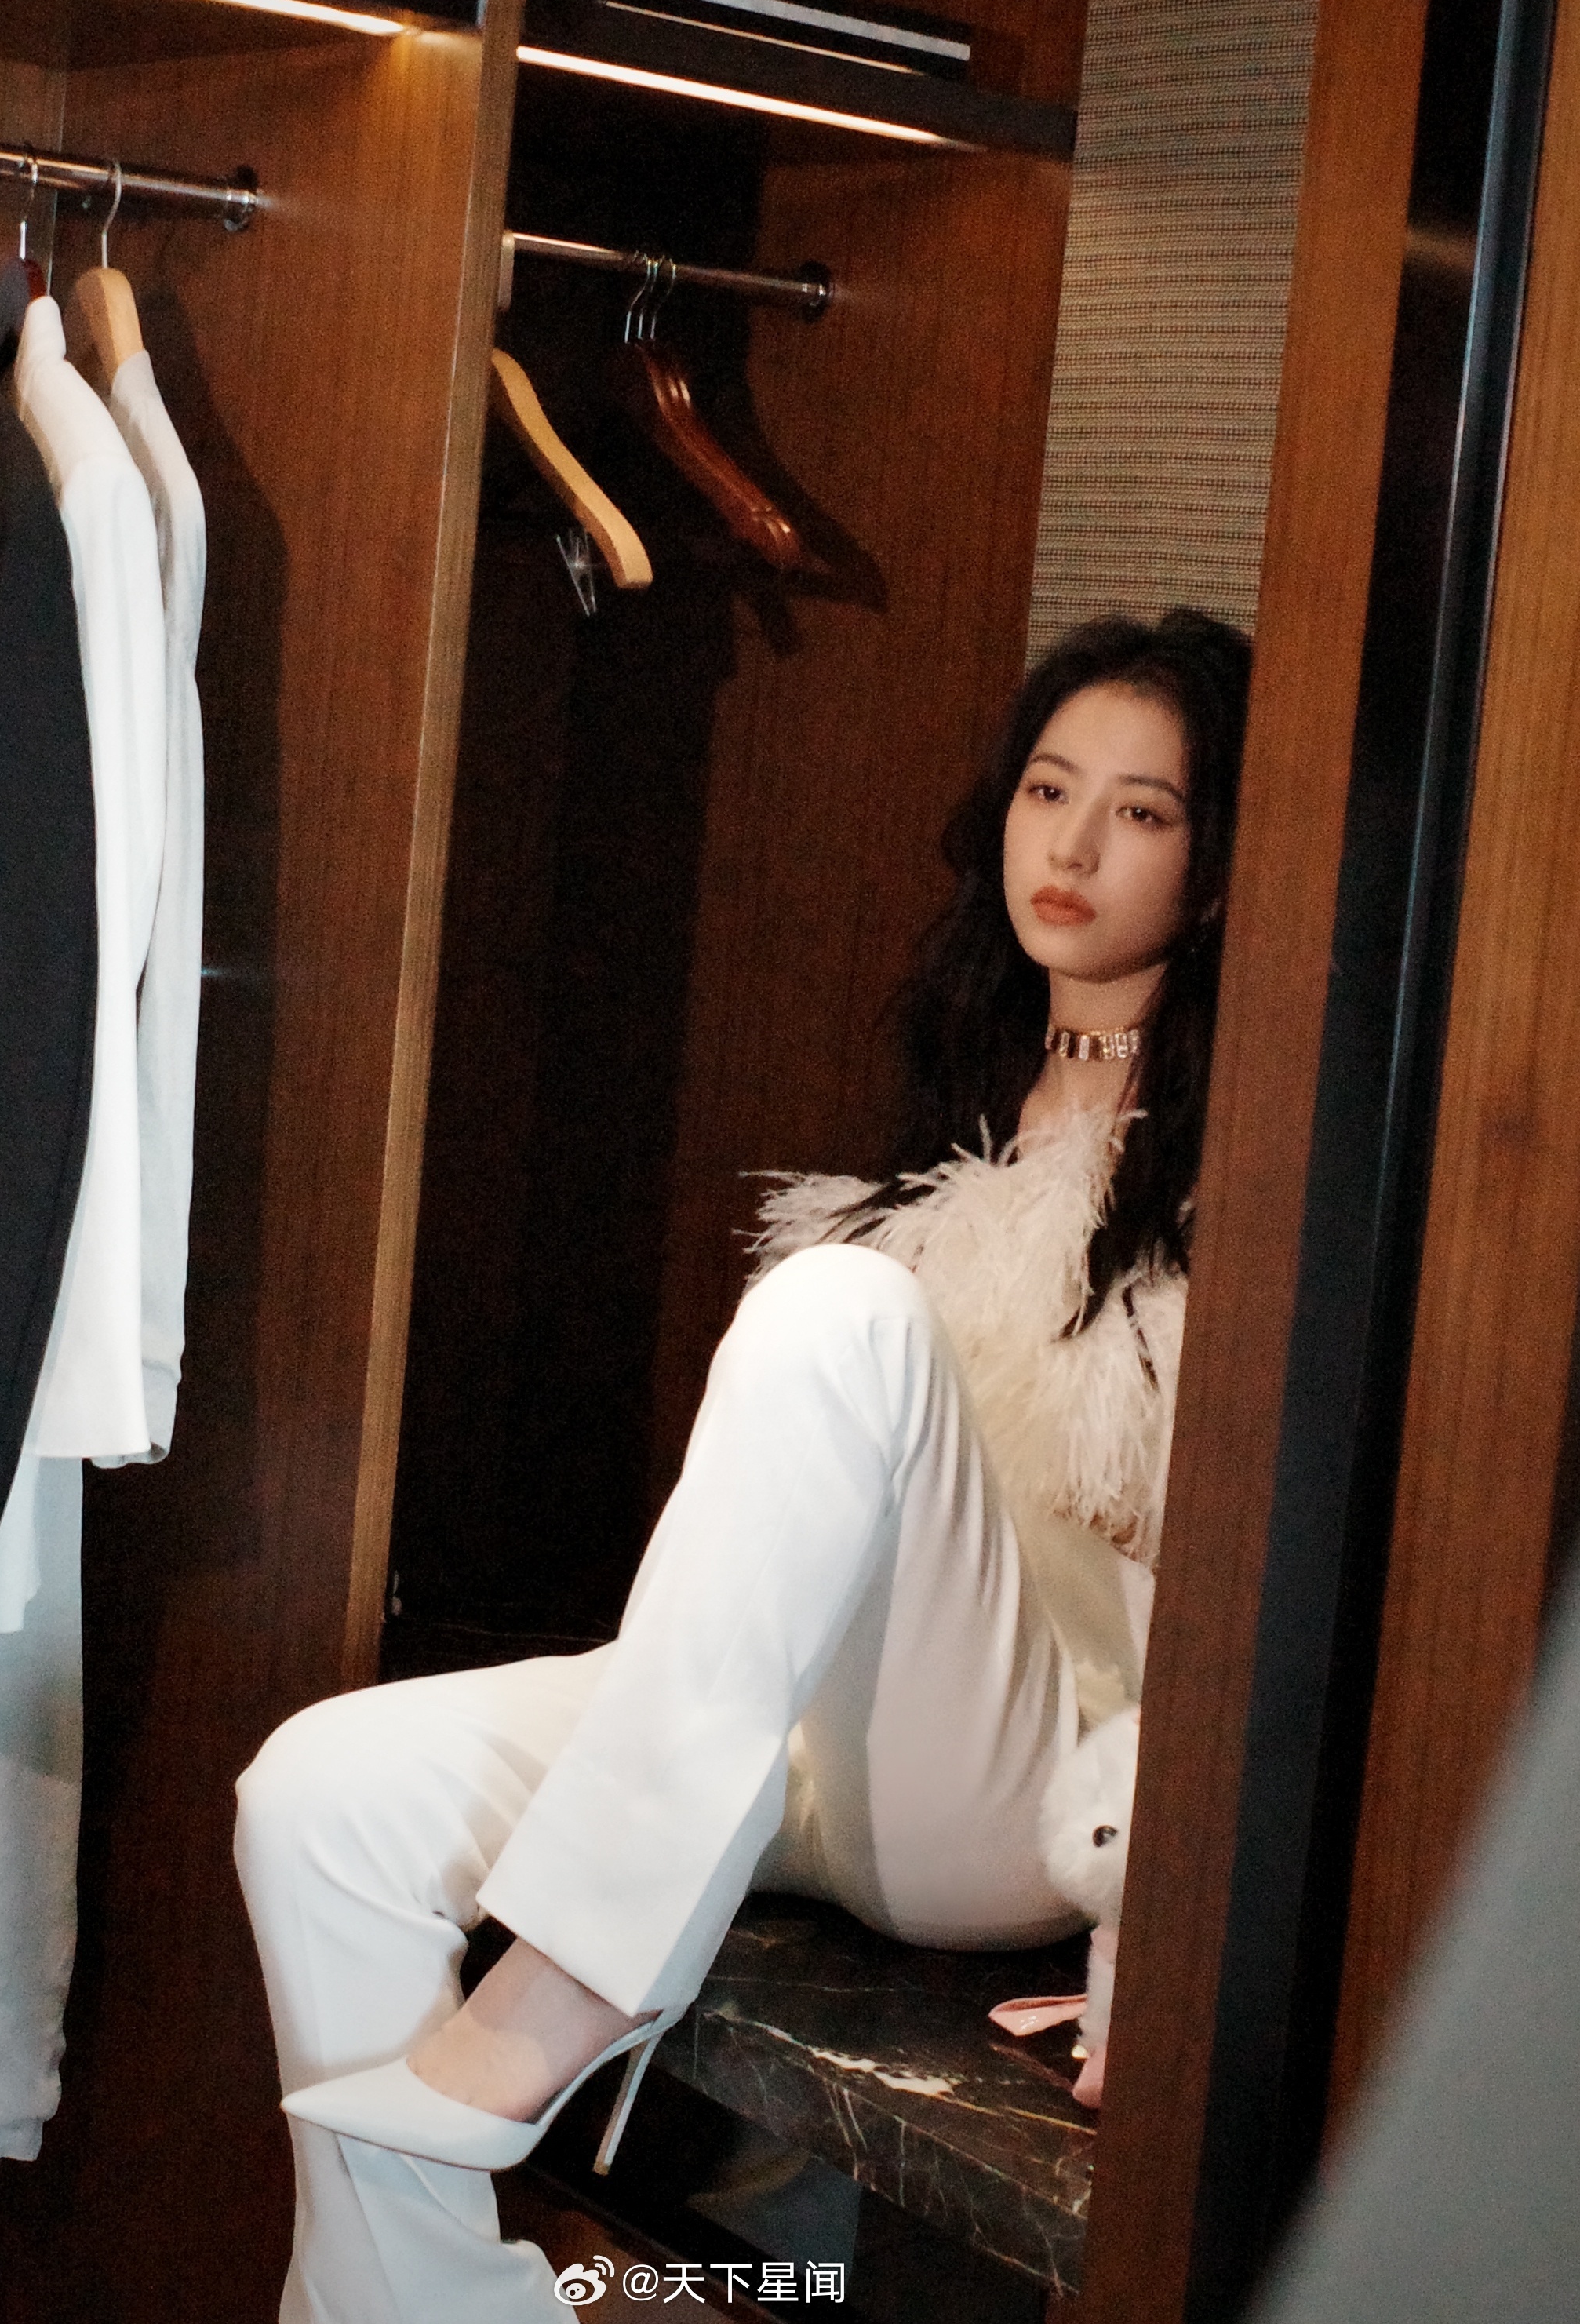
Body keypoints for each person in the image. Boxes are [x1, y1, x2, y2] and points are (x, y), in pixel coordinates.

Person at [235, 607, 1252, 2322]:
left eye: (1141, 812)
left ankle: (584, 1969)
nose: (1072, 846)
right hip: (794, 1745)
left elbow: (1244, 1605)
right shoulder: (964, 1121)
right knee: (318, 1798)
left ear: (1218, 872)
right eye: (1048, 788)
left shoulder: (1252, 1182)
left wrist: (1153, 1910)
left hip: (1015, 1784)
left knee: (838, 1308)